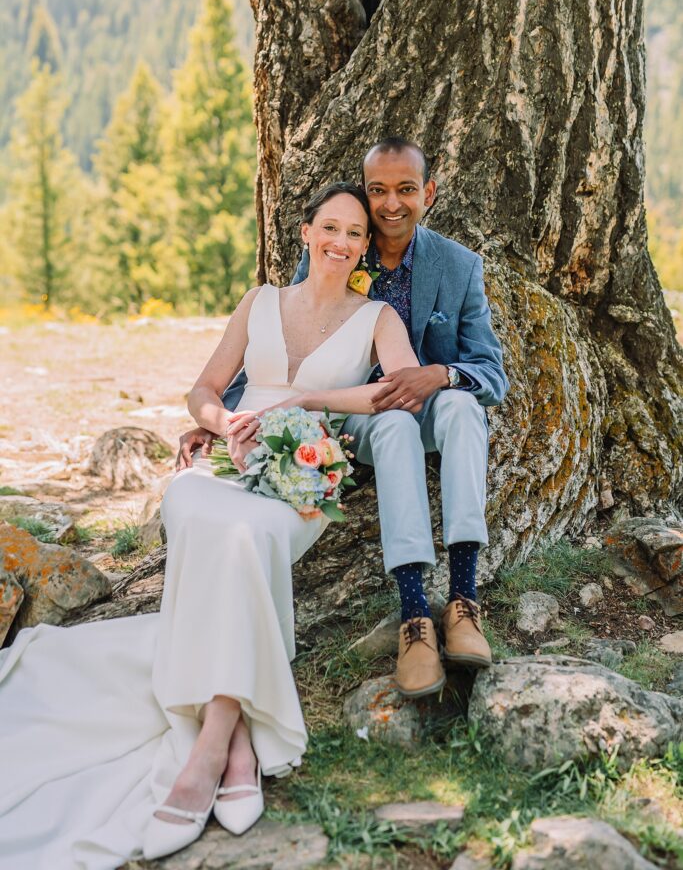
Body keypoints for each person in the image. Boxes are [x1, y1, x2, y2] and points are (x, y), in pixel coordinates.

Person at [0, 183, 419, 869]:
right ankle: (240, 743)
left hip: (299, 478)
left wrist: (310, 397)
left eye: (355, 235)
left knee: (250, 537)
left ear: (365, 248)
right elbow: (203, 387)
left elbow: (395, 386)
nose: (341, 244)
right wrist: (222, 422)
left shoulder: (376, 317)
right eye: (330, 228)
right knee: (194, 507)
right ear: (306, 232)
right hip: (226, 462)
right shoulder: (258, 301)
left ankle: (213, 740)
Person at [179, 138, 509, 700]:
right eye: (377, 191)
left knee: (456, 404)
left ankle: (462, 600)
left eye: (406, 190)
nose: (390, 205)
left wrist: (441, 375)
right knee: (395, 424)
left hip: (419, 404)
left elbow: (490, 373)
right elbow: (284, 348)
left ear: (427, 193)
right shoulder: (341, 251)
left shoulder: (456, 267)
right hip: (352, 419)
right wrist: (220, 416)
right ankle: (413, 616)